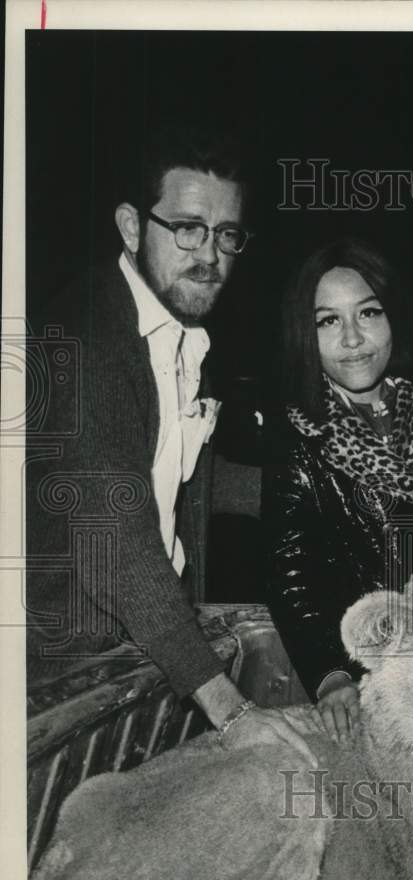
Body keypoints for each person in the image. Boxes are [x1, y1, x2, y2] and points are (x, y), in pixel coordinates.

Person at [26, 124, 316, 761]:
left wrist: (319, 480)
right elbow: (118, 546)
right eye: (186, 227)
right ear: (132, 228)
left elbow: (187, 479)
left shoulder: (185, 335)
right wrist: (230, 709)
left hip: (142, 654)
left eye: (226, 235)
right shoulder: (83, 339)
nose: (208, 254)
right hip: (59, 683)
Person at [262, 238, 413, 741]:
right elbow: (292, 571)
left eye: (368, 313)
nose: (352, 339)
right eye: (328, 321)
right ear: (306, 334)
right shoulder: (299, 438)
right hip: (365, 670)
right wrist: (331, 675)